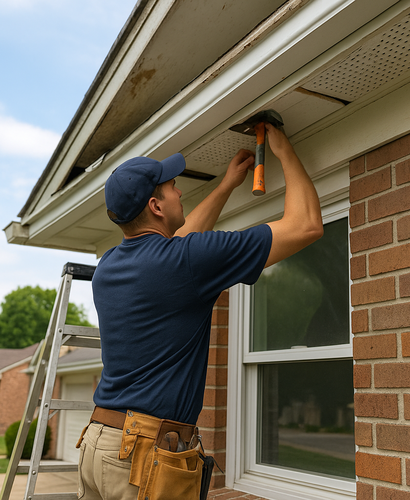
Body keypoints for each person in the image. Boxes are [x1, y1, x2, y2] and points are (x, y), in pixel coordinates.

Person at [76, 124, 323, 500]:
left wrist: (225, 188)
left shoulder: (110, 265)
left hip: (98, 443)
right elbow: (305, 226)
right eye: (171, 186)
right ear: (156, 207)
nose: (179, 190)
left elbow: (179, 241)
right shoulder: (184, 262)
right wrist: (285, 150)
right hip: (141, 456)